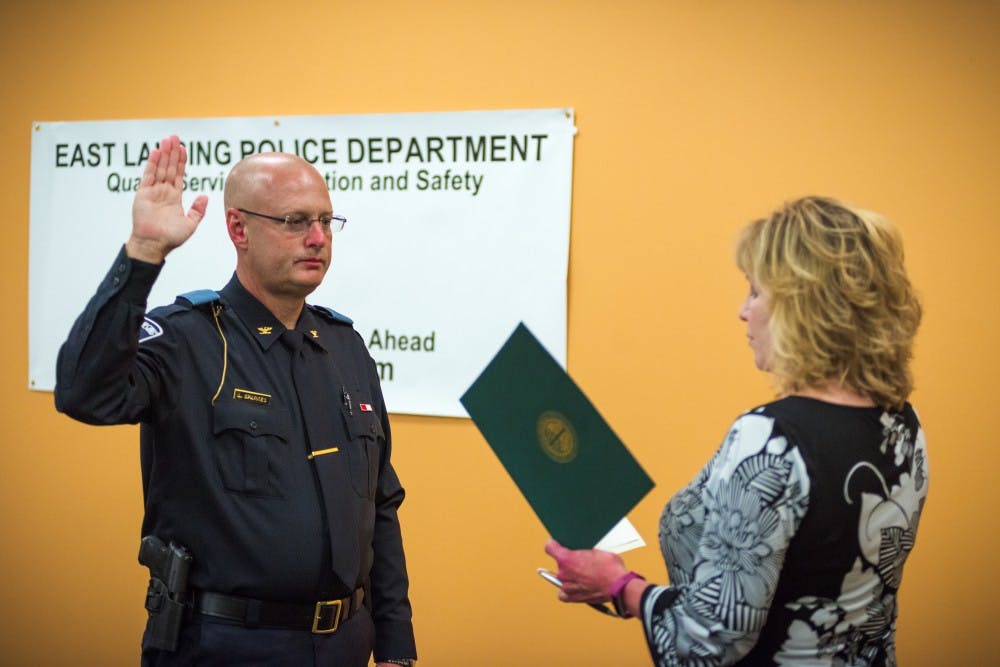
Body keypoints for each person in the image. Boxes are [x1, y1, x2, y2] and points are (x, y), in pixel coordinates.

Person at [55, 135, 417, 667]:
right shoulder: (187, 341)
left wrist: (396, 644)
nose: (317, 237)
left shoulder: (345, 347)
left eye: (326, 221)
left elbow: (380, 506)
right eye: (295, 221)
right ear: (238, 228)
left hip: (346, 642)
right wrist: (143, 253)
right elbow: (84, 393)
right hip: (225, 644)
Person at [545, 196, 927, 665]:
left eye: (755, 292)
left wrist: (620, 587)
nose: (743, 312)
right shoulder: (902, 422)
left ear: (800, 306)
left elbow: (710, 645)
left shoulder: (770, 439)